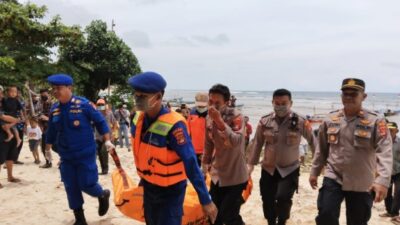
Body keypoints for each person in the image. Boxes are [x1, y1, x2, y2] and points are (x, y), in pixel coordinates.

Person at [128, 71, 218, 225]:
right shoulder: (138, 118)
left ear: (158, 97)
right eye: (136, 95)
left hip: (170, 191)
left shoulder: (175, 125)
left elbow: (190, 163)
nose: (137, 99)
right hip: (149, 186)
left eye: (142, 96)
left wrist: (205, 199)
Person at [310, 78, 393, 225]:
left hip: (362, 182)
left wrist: (383, 181)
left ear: (364, 96)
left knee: (357, 221)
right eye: (345, 94)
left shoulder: (376, 120)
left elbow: (385, 151)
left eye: (353, 94)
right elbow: (321, 149)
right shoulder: (330, 119)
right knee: (325, 215)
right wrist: (314, 171)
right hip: (333, 176)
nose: (348, 97)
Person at [45, 74, 114, 225]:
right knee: (71, 186)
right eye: (53, 88)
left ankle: (102, 194)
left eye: (59, 88)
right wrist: (48, 148)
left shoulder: (84, 105)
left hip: (85, 153)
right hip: (66, 155)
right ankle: (80, 219)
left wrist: (107, 140)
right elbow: (51, 131)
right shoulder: (54, 109)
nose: (55, 91)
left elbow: (100, 121)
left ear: (69, 88)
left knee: (87, 183)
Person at [247, 88, 315, 225]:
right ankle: (271, 221)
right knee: (267, 199)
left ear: (291, 103)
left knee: (284, 198)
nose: (280, 106)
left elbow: (314, 142)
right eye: (277, 103)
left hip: (290, 169)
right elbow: (257, 143)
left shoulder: (300, 121)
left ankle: (282, 221)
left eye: (284, 103)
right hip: (268, 168)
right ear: (272, 103)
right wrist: (250, 165)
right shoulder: (264, 121)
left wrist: (317, 166)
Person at [202, 84, 248, 225]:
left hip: (235, 176)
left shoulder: (237, 117)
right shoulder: (208, 118)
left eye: (217, 103)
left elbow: (236, 141)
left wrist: (220, 121)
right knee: (214, 215)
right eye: (211, 102)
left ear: (227, 103)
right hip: (217, 175)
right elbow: (208, 143)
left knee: (229, 216)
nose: (213, 106)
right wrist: (204, 165)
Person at [0, 85, 22, 188]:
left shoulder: (9, 102)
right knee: (0, 157)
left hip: (10, 131)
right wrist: (17, 120)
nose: (1, 94)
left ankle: (10, 176)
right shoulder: (3, 103)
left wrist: (15, 121)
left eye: (1, 92)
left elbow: (18, 115)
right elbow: (3, 117)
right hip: (1, 132)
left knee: (10, 155)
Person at [380, 122, 400, 223]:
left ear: (396, 131)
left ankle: (395, 213)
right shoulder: (382, 142)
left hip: (398, 172)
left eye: (392, 130)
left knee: (398, 192)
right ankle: (389, 211)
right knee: (386, 193)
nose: (389, 132)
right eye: (388, 130)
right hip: (386, 172)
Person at [95, 99, 117, 175]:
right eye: (99, 105)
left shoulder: (109, 113)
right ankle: (104, 170)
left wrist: (114, 133)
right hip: (98, 137)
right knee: (100, 154)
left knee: (104, 152)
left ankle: (107, 169)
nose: (100, 106)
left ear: (105, 105)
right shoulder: (95, 113)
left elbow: (114, 123)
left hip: (108, 137)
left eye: (102, 104)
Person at [187, 92, 208, 166]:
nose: (201, 108)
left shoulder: (212, 114)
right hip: (193, 149)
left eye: (202, 106)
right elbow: (187, 131)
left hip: (207, 150)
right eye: (199, 105)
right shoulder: (192, 113)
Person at [37, 88, 54, 168]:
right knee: (44, 146)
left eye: (45, 94)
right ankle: (48, 162)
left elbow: (56, 116)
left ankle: (64, 160)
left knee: (56, 146)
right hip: (45, 127)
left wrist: (47, 119)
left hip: (53, 127)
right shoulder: (40, 103)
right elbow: (38, 115)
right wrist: (40, 124)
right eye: (42, 94)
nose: (44, 95)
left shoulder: (53, 104)